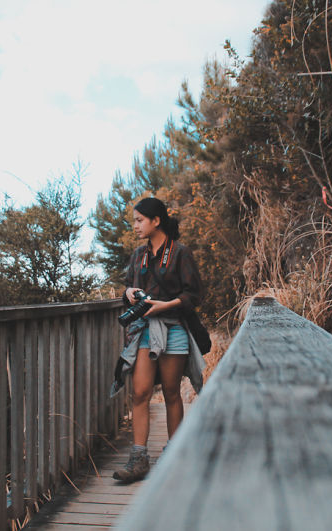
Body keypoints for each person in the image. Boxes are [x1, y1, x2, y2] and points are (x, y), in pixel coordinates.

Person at [111, 197, 206, 483]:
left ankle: (173, 456)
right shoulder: (138, 255)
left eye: (140, 220)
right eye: (135, 221)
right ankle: (139, 458)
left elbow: (194, 294)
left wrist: (165, 305)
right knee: (140, 392)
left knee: (171, 392)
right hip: (144, 329)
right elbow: (128, 287)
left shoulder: (180, 253)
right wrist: (129, 293)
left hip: (173, 328)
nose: (135, 226)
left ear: (156, 221)